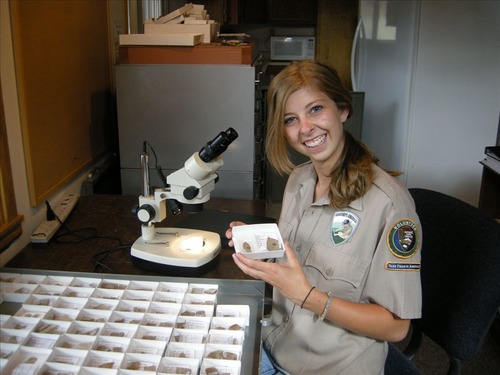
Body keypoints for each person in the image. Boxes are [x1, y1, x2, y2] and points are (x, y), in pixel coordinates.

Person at [226, 60, 422, 374]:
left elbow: (397, 328)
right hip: (273, 344)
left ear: (342, 109)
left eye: (316, 109)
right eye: (291, 119)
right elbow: (295, 258)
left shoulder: (391, 207)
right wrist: (258, 244)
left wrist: (307, 297)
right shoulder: (299, 180)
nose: (305, 128)